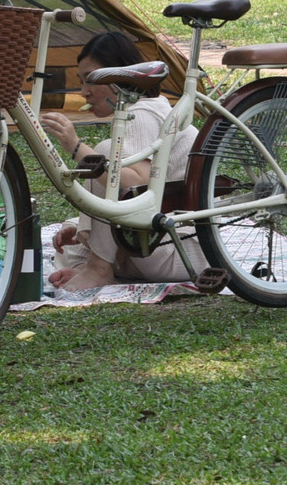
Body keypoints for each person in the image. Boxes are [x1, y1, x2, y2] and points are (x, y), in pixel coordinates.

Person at [39, 32, 206, 292]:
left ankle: (99, 268)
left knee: (106, 154)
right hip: (155, 240)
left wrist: (75, 146)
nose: (84, 92)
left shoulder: (142, 115)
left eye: (92, 80)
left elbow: (134, 185)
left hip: (178, 249)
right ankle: (95, 264)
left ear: (119, 78)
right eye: (82, 81)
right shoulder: (146, 109)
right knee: (69, 238)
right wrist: (81, 226)